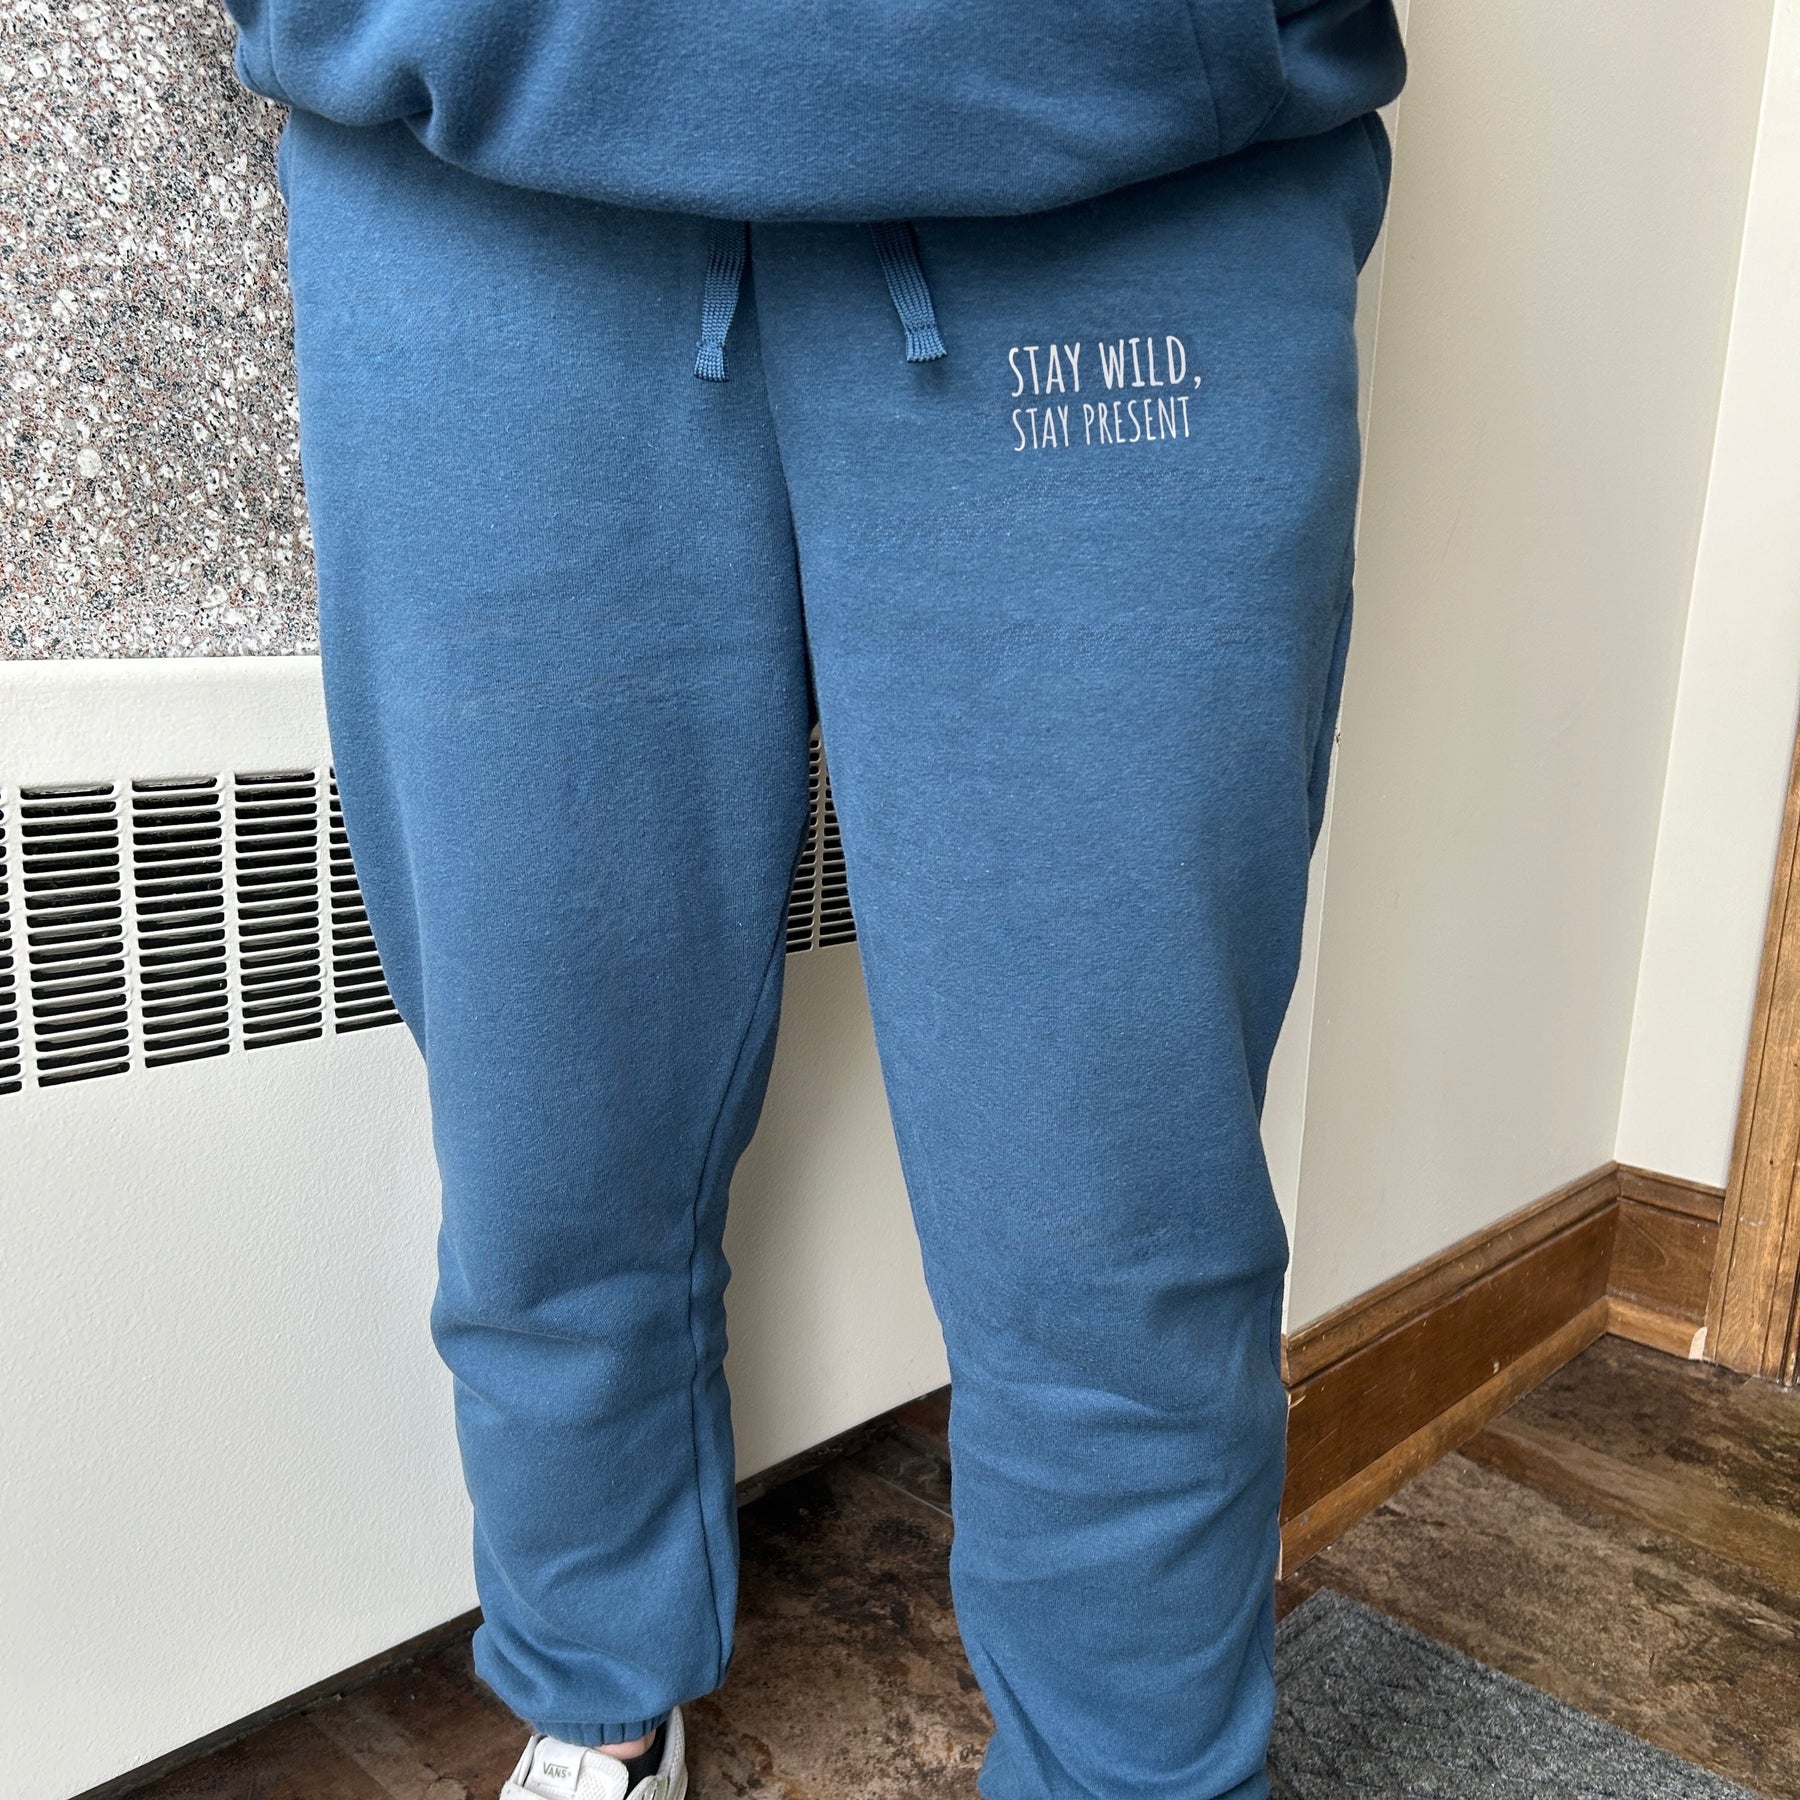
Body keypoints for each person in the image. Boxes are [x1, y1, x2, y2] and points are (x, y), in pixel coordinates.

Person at [222, 4, 1404, 1795]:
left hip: (1125, 158)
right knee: (549, 1133)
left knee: (1115, 1205)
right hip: (473, 159)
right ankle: (595, 1695)